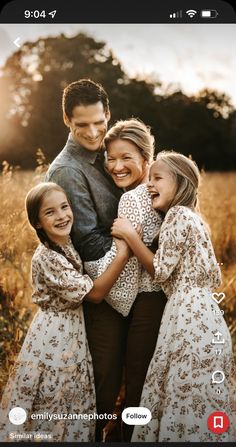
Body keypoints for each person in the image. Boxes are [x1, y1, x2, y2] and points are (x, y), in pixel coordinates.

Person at [111, 151, 236, 442]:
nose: (149, 185)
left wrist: (130, 236)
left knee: (183, 387)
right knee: (197, 392)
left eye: (157, 178)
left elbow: (159, 270)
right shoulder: (195, 219)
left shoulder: (178, 216)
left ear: (180, 183)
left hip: (188, 316)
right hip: (205, 315)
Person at [0, 182, 130, 443]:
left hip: (72, 333)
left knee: (70, 397)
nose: (61, 216)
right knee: (53, 395)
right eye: (50, 212)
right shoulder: (47, 257)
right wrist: (124, 253)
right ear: (37, 222)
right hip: (54, 338)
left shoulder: (67, 243)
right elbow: (94, 294)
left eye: (64, 207)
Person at [45, 79, 126, 440]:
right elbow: (90, 244)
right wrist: (137, 245)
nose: (93, 132)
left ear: (107, 113)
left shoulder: (109, 152)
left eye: (99, 121)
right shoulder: (67, 170)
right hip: (98, 297)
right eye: (82, 125)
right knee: (101, 391)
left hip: (122, 282)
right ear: (67, 120)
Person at [84, 118, 167, 441]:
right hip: (167, 303)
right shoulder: (162, 190)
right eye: (111, 158)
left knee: (135, 387)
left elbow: (129, 278)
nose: (116, 166)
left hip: (147, 303)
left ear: (147, 158)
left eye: (126, 158)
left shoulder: (132, 199)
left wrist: (105, 298)